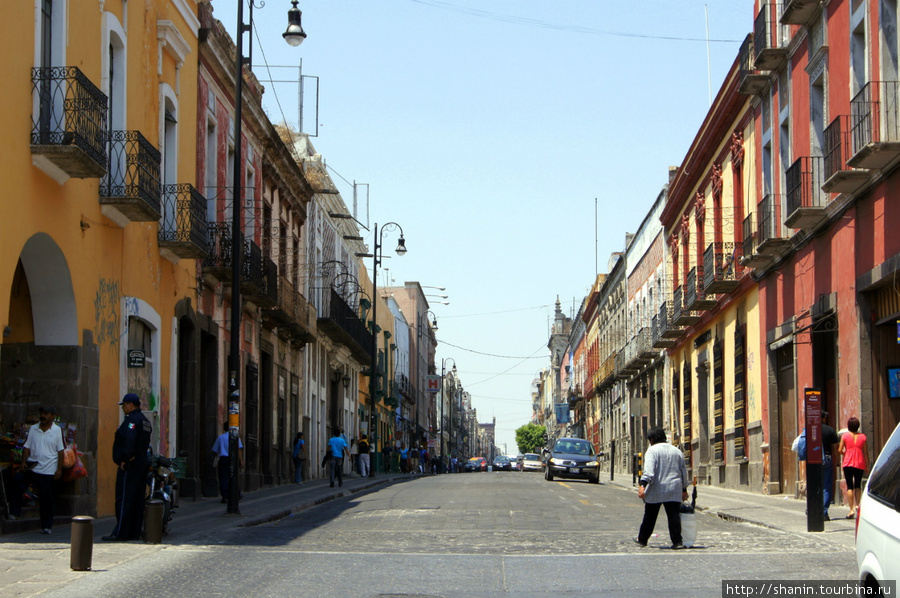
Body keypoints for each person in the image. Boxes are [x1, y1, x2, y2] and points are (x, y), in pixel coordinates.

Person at [103, 393, 152, 541]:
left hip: (131, 464)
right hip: (141, 462)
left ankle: (121, 532)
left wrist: (125, 458)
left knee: (124, 498)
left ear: (130, 404)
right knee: (138, 499)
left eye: (124, 405)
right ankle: (134, 532)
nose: (123, 408)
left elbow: (130, 440)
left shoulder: (132, 421)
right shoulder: (145, 421)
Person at [634, 426, 689, 549]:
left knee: (650, 516)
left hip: (656, 488)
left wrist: (642, 485)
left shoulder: (652, 451)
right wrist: (684, 490)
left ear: (652, 439)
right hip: (674, 488)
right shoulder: (677, 451)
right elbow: (684, 472)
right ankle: (677, 541)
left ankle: (642, 539)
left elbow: (649, 472)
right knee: (673, 516)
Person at [21, 406, 65, 534]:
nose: (43, 416)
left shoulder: (57, 430)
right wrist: (23, 462)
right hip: (33, 467)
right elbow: (27, 446)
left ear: (52, 416)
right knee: (18, 482)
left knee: (47, 498)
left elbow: (60, 451)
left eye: (46, 414)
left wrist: (59, 469)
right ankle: (14, 511)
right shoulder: (33, 429)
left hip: (49, 470)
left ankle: (47, 525)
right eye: (42, 413)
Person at [839, 416, 868, 519]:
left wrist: (845, 453)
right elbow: (866, 453)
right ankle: (857, 504)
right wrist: (867, 465)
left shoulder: (845, 436)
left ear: (849, 426)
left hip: (848, 463)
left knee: (849, 486)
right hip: (860, 462)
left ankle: (851, 509)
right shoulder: (863, 437)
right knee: (858, 485)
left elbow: (839, 449)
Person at [212, 422, 244, 504]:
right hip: (233, 459)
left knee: (223, 478)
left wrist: (218, 455)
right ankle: (236, 493)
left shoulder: (220, 438)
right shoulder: (236, 437)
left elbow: (215, 450)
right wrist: (241, 460)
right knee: (234, 476)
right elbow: (239, 450)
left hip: (223, 459)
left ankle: (225, 495)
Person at [821, 412, 839, 521]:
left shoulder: (810, 429)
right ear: (823, 418)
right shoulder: (830, 430)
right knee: (826, 486)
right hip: (827, 458)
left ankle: (813, 508)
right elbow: (835, 448)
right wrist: (836, 460)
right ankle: (824, 512)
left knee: (815, 485)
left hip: (813, 460)